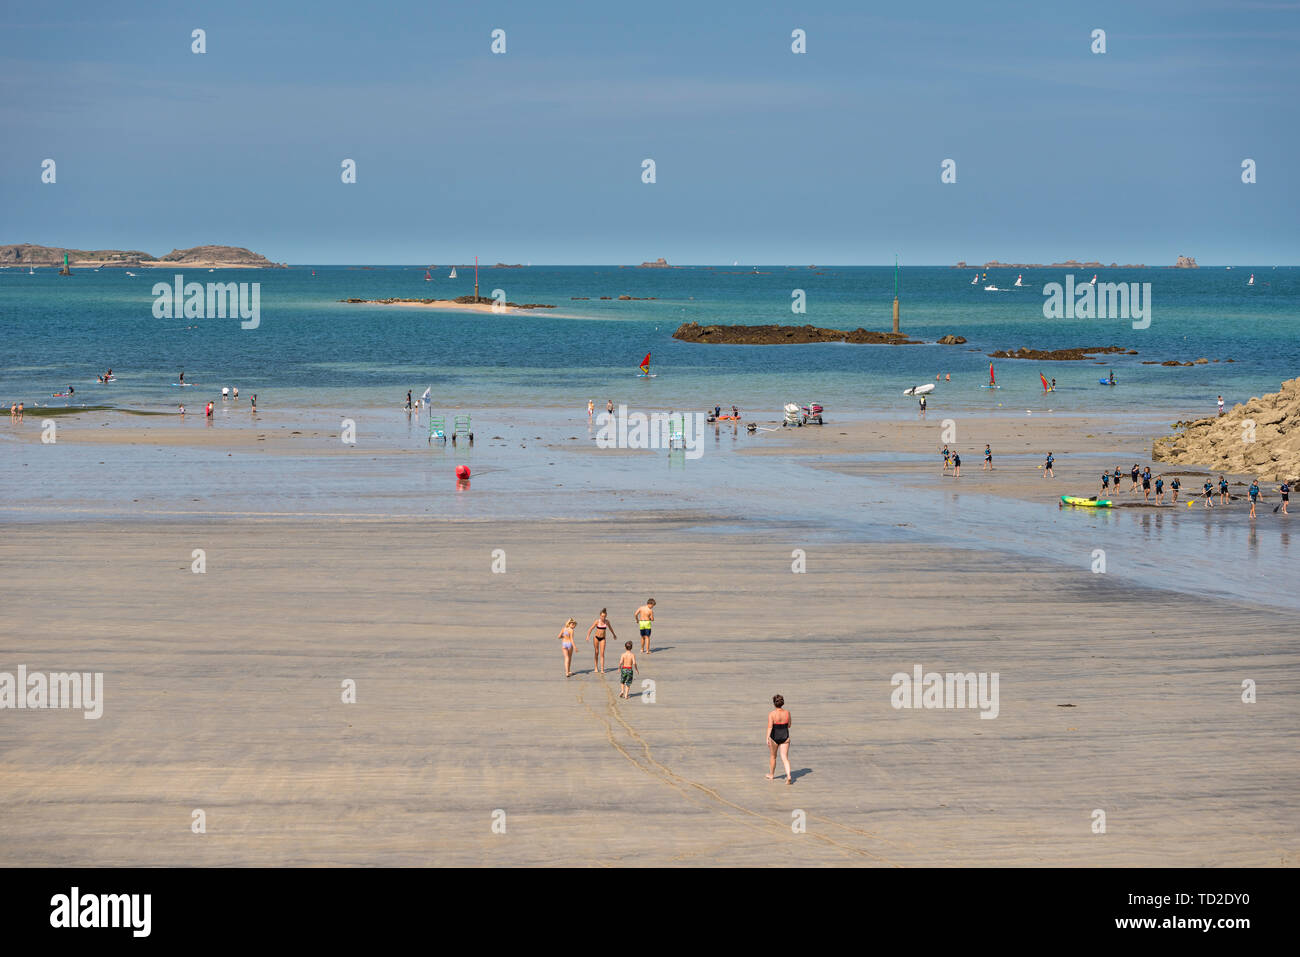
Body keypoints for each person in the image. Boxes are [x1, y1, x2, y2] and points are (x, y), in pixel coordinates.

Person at [766, 694, 792, 785]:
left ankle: (771, 775)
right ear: (782, 703)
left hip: (775, 736)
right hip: (785, 736)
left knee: (773, 756)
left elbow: (770, 727)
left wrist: (767, 738)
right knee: (785, 758)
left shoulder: (772, 714)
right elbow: (789, 725)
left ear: (774, 703)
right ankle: (788, 776)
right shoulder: (787, 713)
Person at [587, 609, 615, 674]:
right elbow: (590, 629)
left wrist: (614, 634)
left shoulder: (607, 622)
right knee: (596, 652)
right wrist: (588, 636)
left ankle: (602, 669)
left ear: (606, 616)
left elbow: (610, 628)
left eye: (604, 616)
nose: (603, 617)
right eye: (602, 616)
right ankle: (596, 668)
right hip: (596, 638)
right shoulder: (597, 621)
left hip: (603, 638)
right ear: (600, 616)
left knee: (602, 654)